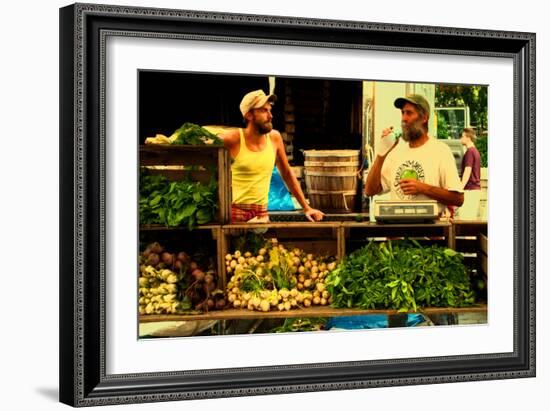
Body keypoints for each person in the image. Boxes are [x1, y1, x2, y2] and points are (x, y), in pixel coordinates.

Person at [221, 89, 325, 223]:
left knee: (267, 245)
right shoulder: (233, 139)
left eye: (270, 110)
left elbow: (287, 173)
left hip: (261, 214)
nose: (270, 116)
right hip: (234, 214)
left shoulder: (274, 138)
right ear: (249, 115)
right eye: (264, 110)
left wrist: (306, 208)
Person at [364, 94, 464, 216]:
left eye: (409, 113)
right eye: (402, 113)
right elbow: (370, 190)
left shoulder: (441, 151)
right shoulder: (396, 152)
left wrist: (423, 188)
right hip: (398, 231)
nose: (404, 118)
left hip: (430, 231)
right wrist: (382, 153)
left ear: (424, 118)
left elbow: (458, 199)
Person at [458, 127, 482, 220]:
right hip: (474, 190)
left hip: (470, 190)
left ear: (468, 138)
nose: (460, 138)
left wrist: (460, 188)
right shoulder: (475, 151)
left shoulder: (470, 152)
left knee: (465, 219)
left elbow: (467, 171)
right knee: (470, 222)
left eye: (462, 136)